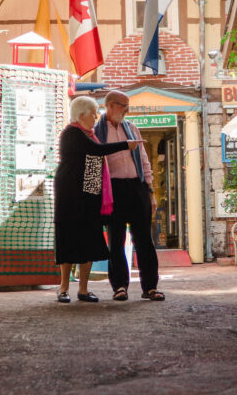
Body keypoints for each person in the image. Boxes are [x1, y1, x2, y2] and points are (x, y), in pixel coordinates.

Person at [54, 95, 141, 304]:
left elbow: (95, 161)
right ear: (81, 114)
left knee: (89, 240)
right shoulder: (71, 133)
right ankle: (63, 288)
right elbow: (96, 151)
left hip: (89, 194)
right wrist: (124, 145)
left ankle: (83, 289)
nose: (96, 117)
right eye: (93, 113)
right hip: (70, 196)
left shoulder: (91, 135)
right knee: (68, 241)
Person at [95, 90, 165, 302]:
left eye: (127, 105)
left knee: (144, 239)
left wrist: (150, 191)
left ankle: (150, 287)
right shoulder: (96, 132)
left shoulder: (131, 128)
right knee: (115, 240)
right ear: (109, 105)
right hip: (113, 190)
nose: (127, 110)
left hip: (137, 187)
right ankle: (119, 287)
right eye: (123, 105)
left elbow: (144, 161)